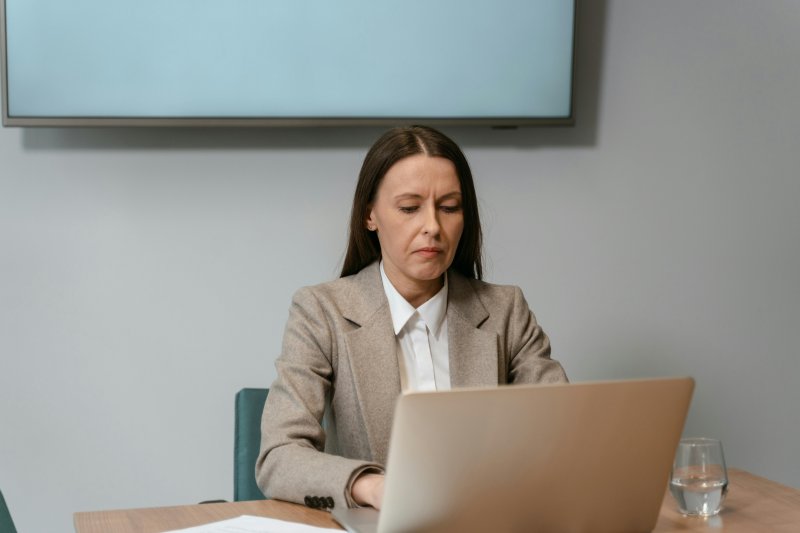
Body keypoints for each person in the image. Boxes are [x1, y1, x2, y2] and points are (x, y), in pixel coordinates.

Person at [255, 125, 567, 511]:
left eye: (449, 207)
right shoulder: (322, 311)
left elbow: (562, 433)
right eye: (409, 208)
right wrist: (371, 487)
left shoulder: (506, 311)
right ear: (370, 214)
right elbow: (279, 455)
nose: (433, 227)